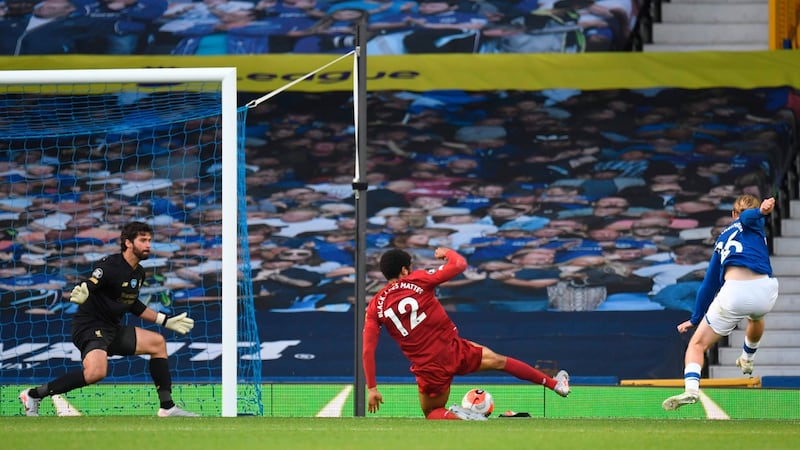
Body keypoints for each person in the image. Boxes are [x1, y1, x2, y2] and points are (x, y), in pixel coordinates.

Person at [362, 246, 570, 420]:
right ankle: (555, 385)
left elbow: (367, 351)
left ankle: (462, 417)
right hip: (453, 349)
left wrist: (372, 388)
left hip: (428, 366)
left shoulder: (374, 307)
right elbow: (459, 265)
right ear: (405, 270)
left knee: (433, 411)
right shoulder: (417, 280)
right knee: (500, 361)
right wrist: (447, 252)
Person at [19, 221, 199, 417]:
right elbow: (91, 283)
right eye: (143, 240)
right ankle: (34, 395)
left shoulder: (138, 272)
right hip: (90, 327)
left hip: (112, 328)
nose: (148, 245)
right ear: (128, 243)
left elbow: (131, 304)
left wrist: (165, 320)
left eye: (149, 240)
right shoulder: (110, 265)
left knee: (157, 343)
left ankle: (167, 407)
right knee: (96, 373)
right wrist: (84, 291)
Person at [662, 195, 779, 411]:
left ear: (732, 215)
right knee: (756, 316)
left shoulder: (722, 239)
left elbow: (709, 285)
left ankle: (691, 390)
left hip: (735, 292)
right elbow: (750, 218)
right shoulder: (755, 224)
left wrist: (696, 318)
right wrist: (761, 212)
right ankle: (747, 358)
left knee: (697, 345)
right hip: (766, 289)